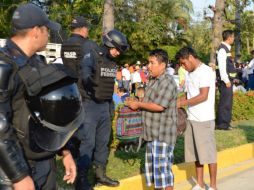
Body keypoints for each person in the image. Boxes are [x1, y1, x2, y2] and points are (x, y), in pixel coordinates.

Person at [0, 3, 84, 190]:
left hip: (45, 163)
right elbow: (0, 125)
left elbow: (49, 115)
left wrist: (66, 151)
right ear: (36, 31)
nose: (49, 34)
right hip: (13, 172)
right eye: (47, 29)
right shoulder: (4, 66)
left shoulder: (39, 62)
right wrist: (19, 176)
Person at [63, 26, 129, 189]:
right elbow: (85, 70)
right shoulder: (91, 52)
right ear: (108, 44)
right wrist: (86, 77)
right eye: (117, 49)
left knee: (102, 143)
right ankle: (81, 179)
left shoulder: (111, 62)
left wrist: (110, 104)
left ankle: (100, 175)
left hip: (104, 106)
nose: (118, 53)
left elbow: (109, 84)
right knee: (88, 143)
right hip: (90, 105)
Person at [126, 49, 177, 190]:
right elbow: (149, 101)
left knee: (163, 174)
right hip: (152, 134)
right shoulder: (153, 80)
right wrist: (136, 101)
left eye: (152, 63)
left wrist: (138, 104)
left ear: (163, 65)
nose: (148, 66)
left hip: (162, 134)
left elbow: (160, 106)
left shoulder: (167, 82)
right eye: (148, 62)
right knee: (157, 175)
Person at [176, 47, 217, 190]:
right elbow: (188, 94)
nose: (183, 66)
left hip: (204, 119)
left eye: (183, 63)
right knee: (196, 154)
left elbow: (203, 96)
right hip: (191, 118)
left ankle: (213, 186)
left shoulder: (205, 71)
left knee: (209, 155)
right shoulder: (189, 73)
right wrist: (176, 101)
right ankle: (199, 184)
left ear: (190, 58)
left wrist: (182, 103)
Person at [216, 30, 236, 130]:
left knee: (228, 102)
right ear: (229, 38)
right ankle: (222, 125)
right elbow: (222, 67)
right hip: (225, 81)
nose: (233, 39)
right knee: (225, 103)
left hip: (228, 80)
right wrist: (226, 80)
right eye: (233, 37)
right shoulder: (223, 50)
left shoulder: (226, 49)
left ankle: (226, 123)